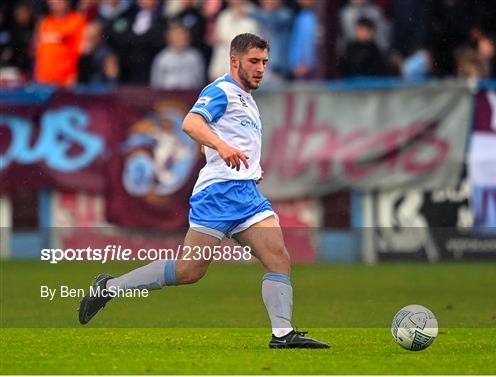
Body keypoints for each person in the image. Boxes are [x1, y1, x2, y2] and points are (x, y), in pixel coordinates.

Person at [78, 33, 329, 349]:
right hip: (218, 196)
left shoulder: (247, 99)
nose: (261, 68)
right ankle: (110, 287)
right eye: (254, 61)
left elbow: (218, 138)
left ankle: (282, 334)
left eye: (264, 61)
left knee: (278, 257)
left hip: (246, 194)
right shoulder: (221, 90)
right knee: (188, 270)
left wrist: (247, 167)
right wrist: (221, 147)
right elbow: (191, 123)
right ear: (234, 61)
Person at [34, 0, 86, 85]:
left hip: (65, 81)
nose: (53, 2)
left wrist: (73, 76)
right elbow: (39, 50)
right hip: (43, 80)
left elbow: (80, 50)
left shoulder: (77, 20)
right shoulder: (45, 22)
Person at [150, 23, 205, 90]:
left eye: (184, 34)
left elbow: (200, 80)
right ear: (170, 38)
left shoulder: (195, 56)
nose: (182, 37)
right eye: (178, 35)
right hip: (167, 96)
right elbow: (156, 82)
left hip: (190, 95)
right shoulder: (162, 58)